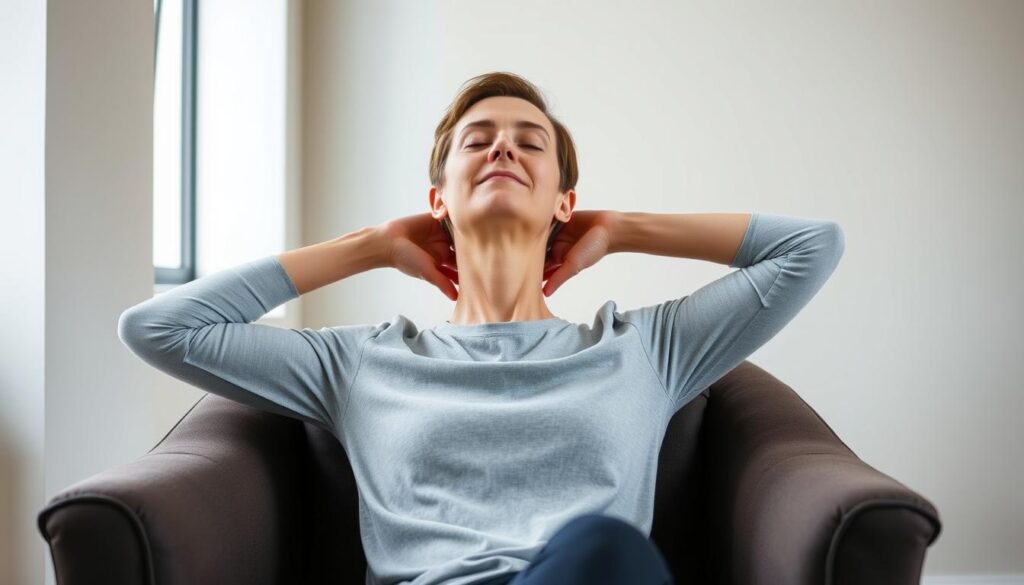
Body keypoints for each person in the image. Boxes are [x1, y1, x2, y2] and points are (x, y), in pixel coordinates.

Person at [117, 71, 845, 585]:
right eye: (478, 140)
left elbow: (812, 247)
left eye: (531, 142)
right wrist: (369, 244)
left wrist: (623, 228)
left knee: (604, 550)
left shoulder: (644, 350)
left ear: (565, 202)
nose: (503, 148)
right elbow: (161, 328)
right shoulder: (362, 362)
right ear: (437, 199)